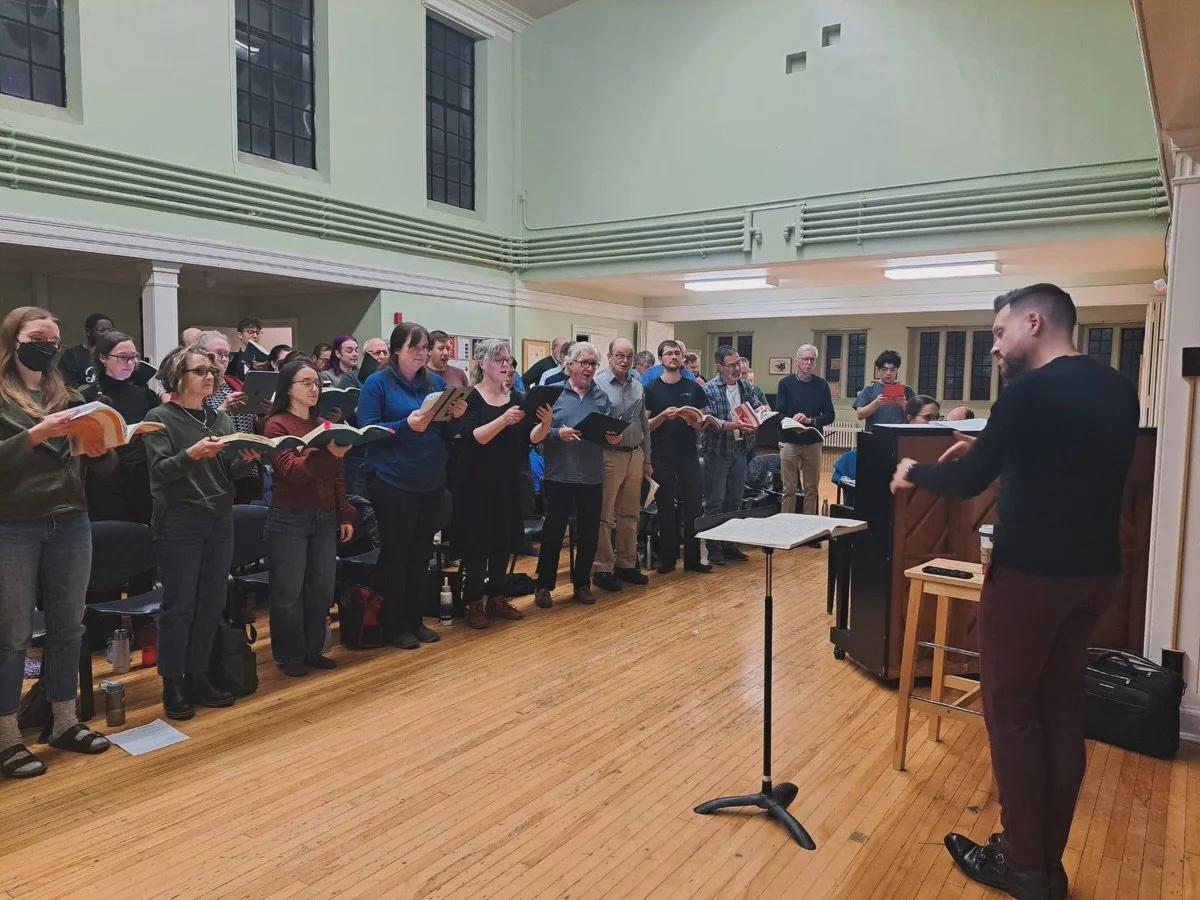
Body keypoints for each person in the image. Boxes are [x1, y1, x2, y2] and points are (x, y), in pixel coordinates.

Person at [890, 284, 1139, 900]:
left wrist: (913, 471)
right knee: (1059, 713)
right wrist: (1002, 450)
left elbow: (970, 478)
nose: (995, 348)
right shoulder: (1116, 387)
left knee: (1011, 713)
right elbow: (1066, 465)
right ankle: (1044, 858)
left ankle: (1024, 863)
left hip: (1032, 576)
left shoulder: (1028, 391)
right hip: (1094, 576)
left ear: (1035, 321)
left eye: (1000, 334)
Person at [0, 307, 115, 778]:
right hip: (15, 523)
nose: (48, 345)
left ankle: (63, 720)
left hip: (71, 519)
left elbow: (101, 470)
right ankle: (7, 735)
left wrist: (102, 447)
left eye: (55, 338)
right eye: (37, 336)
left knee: (70, 627)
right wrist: (35, 435)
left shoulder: (67, 394)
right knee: (12, 637)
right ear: (14, 340)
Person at [144, 346, 260, 720]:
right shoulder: (159, 417)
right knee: (179, 605)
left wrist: (244, 462)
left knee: (212, 602)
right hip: (181, 518)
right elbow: (159, 471)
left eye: (212, 370)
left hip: (219, 516)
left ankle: (198, 674)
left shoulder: (219, 418)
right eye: (200, 371)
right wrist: (190, 455)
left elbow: (227, 473)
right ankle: (172, 681)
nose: (210, 376)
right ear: (178, 377)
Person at [357, 323, 467, 649]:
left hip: (429, 479)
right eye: (413, 348)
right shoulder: (377, 384)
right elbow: (368, 431)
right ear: (395, 351)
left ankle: (415, 619)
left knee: (422, 555)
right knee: (396, 555)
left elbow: (446, 434)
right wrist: (406, 425)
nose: (421, 354)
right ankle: (393, 624)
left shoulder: (433, 383)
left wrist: (457, 415)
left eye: (424, 348)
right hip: (392, 480)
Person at [263, 360, 356, 676]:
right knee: (288, 592)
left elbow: (337, 474)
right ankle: (289, 655)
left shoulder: (324, 426)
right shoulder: (276, 425)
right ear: (288, 387)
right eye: (305, 382)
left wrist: (344, 512)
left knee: (320, 588)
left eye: (316, 382)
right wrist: (327, 453)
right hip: (288, 517)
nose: (314, 388)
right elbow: (291, 472)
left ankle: (314, 649)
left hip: (325, 516)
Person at [457, 339, 551, 627]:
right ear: (482, 364)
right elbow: (475, 437)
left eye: (508, 360)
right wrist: (503, 420)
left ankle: (497, 596)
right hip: (477, 481)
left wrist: (546, 423)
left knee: (503, 541)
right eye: (498, 360)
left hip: (510, 478)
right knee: (477, 544)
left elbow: (529, 438)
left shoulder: (519, 398)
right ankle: (473, 602)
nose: (505, 365)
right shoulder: (469, 398)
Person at [533, 342, 618, 609]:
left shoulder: (602, 397)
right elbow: (536, 436)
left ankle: (582, 583)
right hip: (558, 476)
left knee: (589, 534)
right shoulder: (552, 394)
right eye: (584, 363)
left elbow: (606, 434)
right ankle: (544, 586)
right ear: (569, 365)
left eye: (594, 364)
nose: (589, 369)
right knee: (553, 534)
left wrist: (613, 438)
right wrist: (558, 434)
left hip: (591, 476)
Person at [644, 340, 711, 575]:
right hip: (661, 455)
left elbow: (703, 424)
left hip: (688, 454)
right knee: (665, 508)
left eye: (677, 353)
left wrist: (697, 422)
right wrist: (663, 416)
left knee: (693, 506)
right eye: (668, 353)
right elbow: (647, 426)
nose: (673, 357)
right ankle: (668, 559)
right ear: (661, 359)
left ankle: (693, 560)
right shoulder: (650, 388)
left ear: (683, 358)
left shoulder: (694, 388)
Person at [592, 337, 653, 592]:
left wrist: (647, 458)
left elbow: (644, 424)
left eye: (629, 356)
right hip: (609, 455)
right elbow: (591, 424)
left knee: (631, 513)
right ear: (609, 356)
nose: (625, 360)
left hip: (635, 454)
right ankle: (602, 567)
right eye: (620, 355)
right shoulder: (597, 384)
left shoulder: (637, 385)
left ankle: (626, 564)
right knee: (605, 515)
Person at [81, 331, 160, 524]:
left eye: (134, 357)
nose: (130, 363)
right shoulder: (86, 397)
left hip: (142, 479)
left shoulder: (145, 395)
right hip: (105, 480)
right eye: (123, 357)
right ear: (103, 358)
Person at [700, 345, 763, 564]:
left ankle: (730, 543)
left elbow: (756, 407)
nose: (737, 368)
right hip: (718, 451)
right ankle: (714, 546)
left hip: (740, 450)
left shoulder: (746, 387)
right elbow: (709, 421)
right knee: (715, 501)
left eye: (738, 363)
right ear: (719, 367)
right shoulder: (709, 390)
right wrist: (733, 424)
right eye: (731, 365)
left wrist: (761, 414)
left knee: (735, 500)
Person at [196, 330, 260, 503]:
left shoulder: (236, 384)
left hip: (247, 465)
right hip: (214, 469)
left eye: (226, 355)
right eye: (218, 354)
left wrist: (262, 413)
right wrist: (223, 409)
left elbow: (252, 424)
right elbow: (193, 426)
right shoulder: (193, 389)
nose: (223, 359)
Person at [774, 344, 834, 515]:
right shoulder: (785, 384)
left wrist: (811, 420)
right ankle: (787, 525)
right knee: (789, 489)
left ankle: (810, 528)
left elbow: (830, 415)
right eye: (805, 359)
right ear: (797, 361)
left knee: (811, 488)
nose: (808, 363)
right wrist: (792, 422)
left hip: (812, 441)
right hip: (789, 440)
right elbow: (779, 413)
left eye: (812, 360)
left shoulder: (821, 385)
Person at [853, 350, 914, 430]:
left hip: (900, 435)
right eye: (885, 369)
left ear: (897, 371)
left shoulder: (907, 390)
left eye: (892, 370)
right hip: (876, 435)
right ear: (878, 370)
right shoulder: (869, 390)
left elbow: (917, 416)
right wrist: (876, 403)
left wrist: (904, 404)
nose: (888, 373)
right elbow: (860, 415)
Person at [57, 312, 113, 388]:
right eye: (102, 330)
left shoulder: (116, 353)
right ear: (88, 331)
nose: (107, 334)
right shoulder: (72, 355)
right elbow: (68, 386)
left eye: (110, 330)